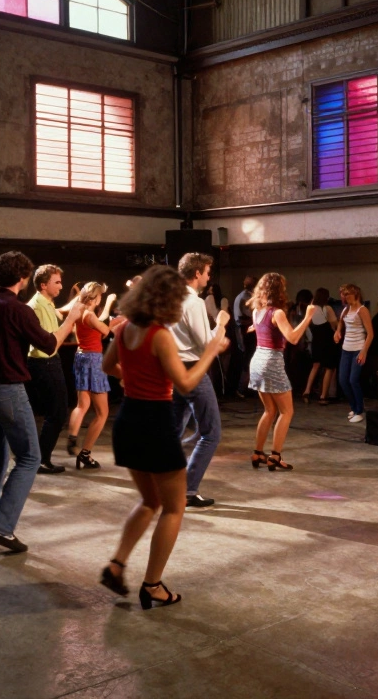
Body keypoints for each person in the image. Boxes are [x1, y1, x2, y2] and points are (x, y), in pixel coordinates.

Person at [97, 265, 227, 609]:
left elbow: (107, 367)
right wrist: (211, 351)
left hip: (128, 421)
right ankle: (153, 584)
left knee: (149, 501)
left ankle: (117, 564)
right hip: (155, 422)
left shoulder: (125, 329)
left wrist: (133, 378)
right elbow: (185, 383)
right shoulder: (159, 335)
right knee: (174, 507)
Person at [0, 251, 85, 554]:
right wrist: (70, 319)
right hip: (7, 390)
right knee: (30, 458)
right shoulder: (17, 309)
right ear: (22, 278)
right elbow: (48, 345)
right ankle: (1, 527)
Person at [168, 253, 228, 509]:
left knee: (172, 432)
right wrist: (222, 325)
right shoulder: (194, 303)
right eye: (206, 272)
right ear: (196, 274)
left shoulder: (170, 297)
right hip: (193, 369)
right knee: (211, 433)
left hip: (173, 369)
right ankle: (188, 491)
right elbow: (207, 345)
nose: (208, 276)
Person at [246, 273, 316, 470]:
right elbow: (293, 338)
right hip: (271, 361)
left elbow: (260, 329)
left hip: (258, 360)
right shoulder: (277, 313)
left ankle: (258, 453)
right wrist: (308, 317)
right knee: (287, 411)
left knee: (269, 410)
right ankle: (275, 456)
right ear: (279, 291)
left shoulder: (257, 311)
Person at [25, 264, 76, 474]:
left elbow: (60, 317)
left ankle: (40, 458)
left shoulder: (45, 302)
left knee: (57, 413)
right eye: (57, 282)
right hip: (44, 363)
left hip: (47, 362)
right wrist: (72, 319)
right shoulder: (37, 305)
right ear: (43, 285)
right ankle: (40, 459)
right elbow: (51, 343)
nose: (61, 286)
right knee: (56, 413)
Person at [66, 282, 116, 470]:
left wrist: (108, 312)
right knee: (103, 413)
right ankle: (85, 454)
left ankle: (72, 439)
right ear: (96, 298)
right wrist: (113, 320)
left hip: (80, 357)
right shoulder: (90, 315)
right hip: (94, 360)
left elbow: (98, 320)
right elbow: (105, 331)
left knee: (82, 405)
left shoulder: (79, 311)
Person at [334, 284, 373, 423]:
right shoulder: (345, 310)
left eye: (346, 294)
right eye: (343, 294)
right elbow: (340, 323)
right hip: (346, 349)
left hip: (358, 348)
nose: (344, 297)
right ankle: (353, 407)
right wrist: (338, 332)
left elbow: (370, 333)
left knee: (353, 380)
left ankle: (359, 410)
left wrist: (363, 352)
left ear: (354, 294)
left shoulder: (362, 310)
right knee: (343, 380)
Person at [302, 288, 340, 405]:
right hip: (327, 341)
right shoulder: (327, 308)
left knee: (315, 366)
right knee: (329, 367)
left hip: (316, 340)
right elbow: (335, 324)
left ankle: (307, 391)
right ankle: (323, 396)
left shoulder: (311, 309)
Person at [226, 275, 256, 398]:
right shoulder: (244, 297)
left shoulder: (246, 296)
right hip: (244, 332)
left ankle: (244, 387)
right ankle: (241, 388)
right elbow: (246, 316)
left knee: (248, 359)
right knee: (246, 360)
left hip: (245, 331)